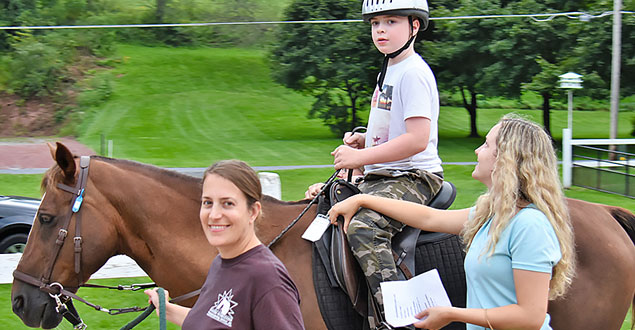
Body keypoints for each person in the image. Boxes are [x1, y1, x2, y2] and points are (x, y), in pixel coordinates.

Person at [328, 114, 576, 330]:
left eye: (486, 145)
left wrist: (451, 314)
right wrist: (364, 200)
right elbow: (429, 217)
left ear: (506, 160)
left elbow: (530, 318)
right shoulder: (492, 215)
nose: (477, 151)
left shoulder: (529, 225)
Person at [327, 0, 444, 320]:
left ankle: (398, 319)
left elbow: (418, 140)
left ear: (414, 26)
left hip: (414, 176)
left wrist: (361, 155)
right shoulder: (390, 68)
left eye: (391, 22)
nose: (380, 30)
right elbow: (395, 133)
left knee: (364, 228)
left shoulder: (414, 73)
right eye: (376, 23)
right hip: (384, 175)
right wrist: (365, 141)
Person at [145, 160, 305, 329]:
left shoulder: (268, 279)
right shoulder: (221, 263)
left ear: (253, 212)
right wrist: (166, 309)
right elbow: (211, 321)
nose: (214, 215)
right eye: (207, 202)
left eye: (227, 203)